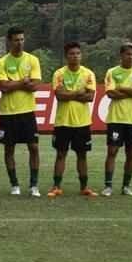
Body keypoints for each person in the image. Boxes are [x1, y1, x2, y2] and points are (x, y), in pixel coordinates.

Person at [48, 42, 97, 198]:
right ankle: (56, 186)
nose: (75, 56)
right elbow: (60, 96)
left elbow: (90, 97)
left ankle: (84, 187)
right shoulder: (59, 74)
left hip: (82, 122)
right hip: (63, 121)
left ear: (81, 55)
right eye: (71, 54)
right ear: (66, 56)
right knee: (61, 154)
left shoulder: (88, 74)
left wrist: (70, 94)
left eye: (77, 53)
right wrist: (78, 93)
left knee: (82, 155)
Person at [0, 29, 42, 197]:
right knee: (9, 149)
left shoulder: (33, 60)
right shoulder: (2, 62)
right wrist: (23, 81)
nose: (20, 42)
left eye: (22, 39)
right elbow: (3, 87)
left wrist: (13, 83)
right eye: (16, 40)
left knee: (34, 147)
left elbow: (35, 85)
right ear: (9, 41)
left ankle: (34, 185)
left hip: (27, 111)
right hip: (8, 112)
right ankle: (14, 184)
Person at [102, 42, 132, 197]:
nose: (131, 57)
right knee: (112, 151)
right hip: (116, 118)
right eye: (128, 54)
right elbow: (111, 94)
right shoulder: (112, 72)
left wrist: (122, 88)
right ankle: (108, 186)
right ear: (121, 55)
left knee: (131, 153)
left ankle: (126, 186)